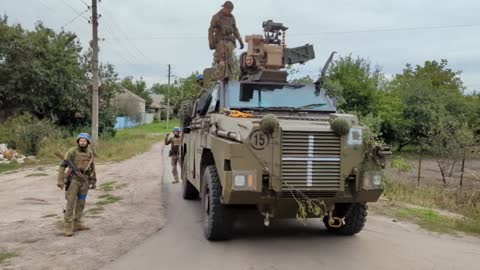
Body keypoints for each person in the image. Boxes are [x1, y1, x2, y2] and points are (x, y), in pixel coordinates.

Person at [57, 133, 96, 237]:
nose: (82, 142)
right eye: (81, 140)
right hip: (73, 180)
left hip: (85, 181)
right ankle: (68, 225)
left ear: (88, 142)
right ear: (78, 141)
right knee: (71, 202)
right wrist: (60, 180)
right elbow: (62, 165)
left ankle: (77, 222)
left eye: (84, 140)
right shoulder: (72, 151)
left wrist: (93, 180)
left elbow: (92, 168)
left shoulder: (90, 153)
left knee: (81, 201)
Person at [208, 1, 244, 80]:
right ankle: (218, 77)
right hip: (220, 41)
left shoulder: (232, 17)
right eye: (228, 10)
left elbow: (235, 29)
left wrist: (240, 40)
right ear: (224, 8)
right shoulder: (216, 17)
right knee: (221, 63)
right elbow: (211, 30)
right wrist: (210, 42)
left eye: (231, 11)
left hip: (230, 42)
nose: (229, 12)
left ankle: (230, 78)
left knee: (230, 62)